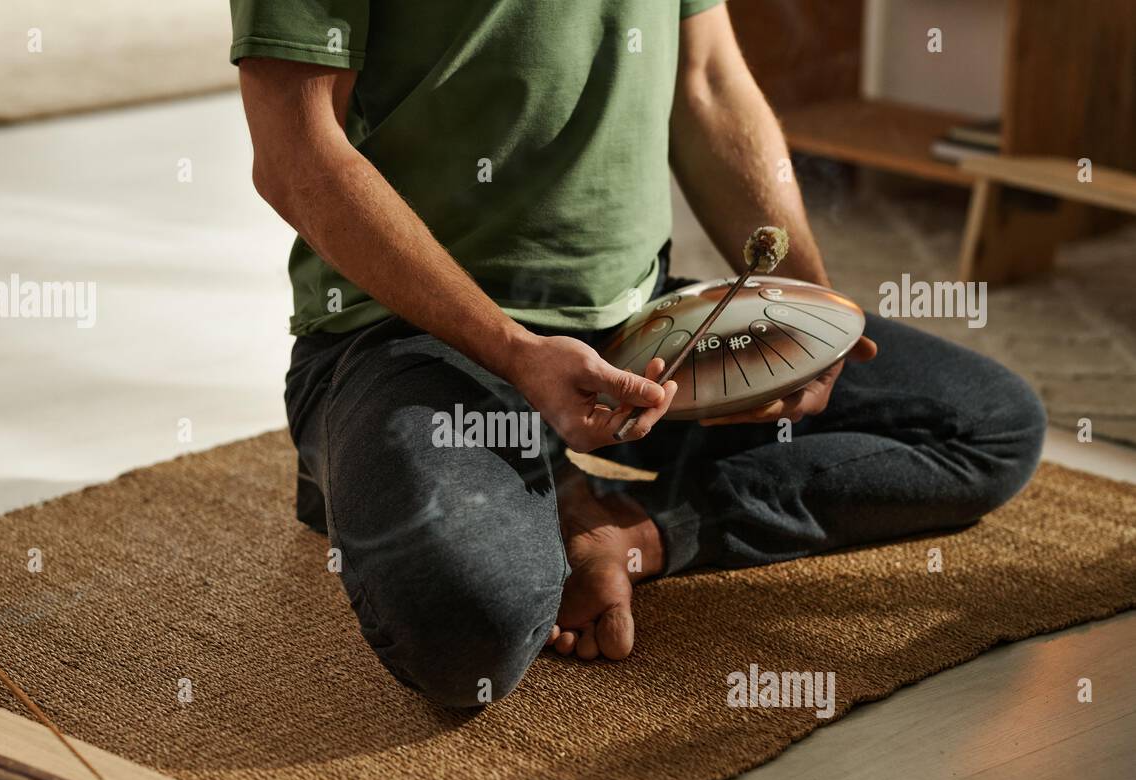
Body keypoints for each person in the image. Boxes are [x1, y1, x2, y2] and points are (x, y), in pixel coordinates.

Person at [231, 1, 1046, 708]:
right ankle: (384, 459)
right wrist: (516, 353)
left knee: (987, 426)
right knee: (467, 634)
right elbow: (298, 156)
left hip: (641, 335)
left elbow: (710, 83)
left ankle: (620, 532)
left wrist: (809, 313)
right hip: (413, 338)